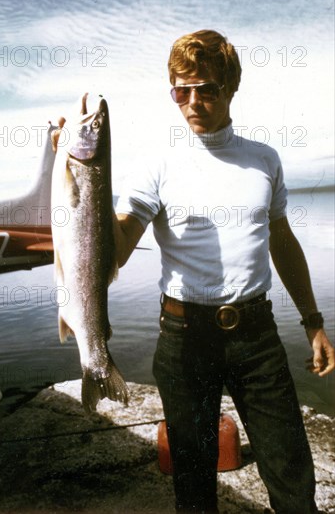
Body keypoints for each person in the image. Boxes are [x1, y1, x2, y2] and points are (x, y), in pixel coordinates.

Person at [112, 30, 335, 514]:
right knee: (193, 484)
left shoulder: (263, 160)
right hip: (183, 337)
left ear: (230, 87)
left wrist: (313, 321)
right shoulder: (157, 165)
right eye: (181, 90)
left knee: (292, 473)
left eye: (206, 88)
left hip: (257, 336)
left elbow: (282, 240)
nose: (193, 102)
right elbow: (118, 249)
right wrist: (76, 183)